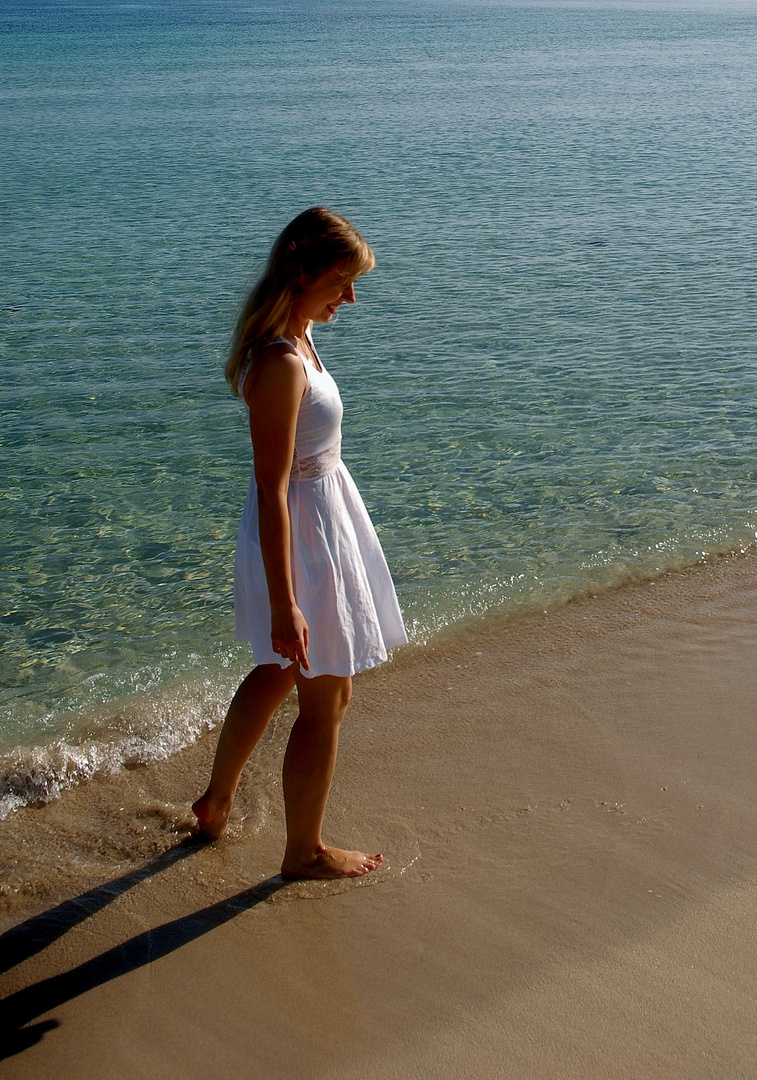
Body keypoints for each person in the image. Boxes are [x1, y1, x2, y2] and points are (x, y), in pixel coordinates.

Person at [192, 207, 407, 879]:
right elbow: (270, 487)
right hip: (304, 537)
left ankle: (217, 799)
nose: (350, 298)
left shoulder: (301, 336)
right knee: (327, 697)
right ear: (302, 273)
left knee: (278, 670)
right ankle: (303, 852)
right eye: (340, 282)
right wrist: (286, 601)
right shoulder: (281, 362)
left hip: (323, 518)